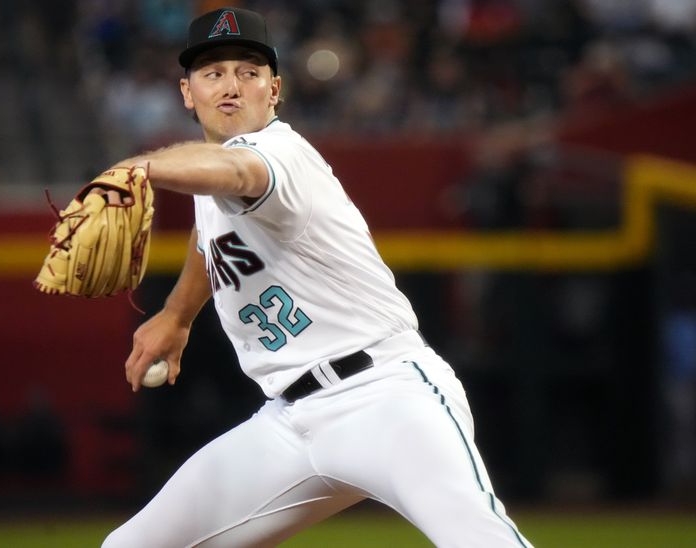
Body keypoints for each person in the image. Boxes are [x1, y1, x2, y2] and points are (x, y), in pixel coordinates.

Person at [102, 7, 532, 547]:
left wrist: (140, 167)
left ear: (273, 91)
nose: (231, 86)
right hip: (287, 422)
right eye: (212, 73)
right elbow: (211, 229)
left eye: (248, 72)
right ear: (187, 93)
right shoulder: (210, 179)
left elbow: (238, 173)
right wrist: (177, 314)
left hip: (386, 397)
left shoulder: (279, 153)